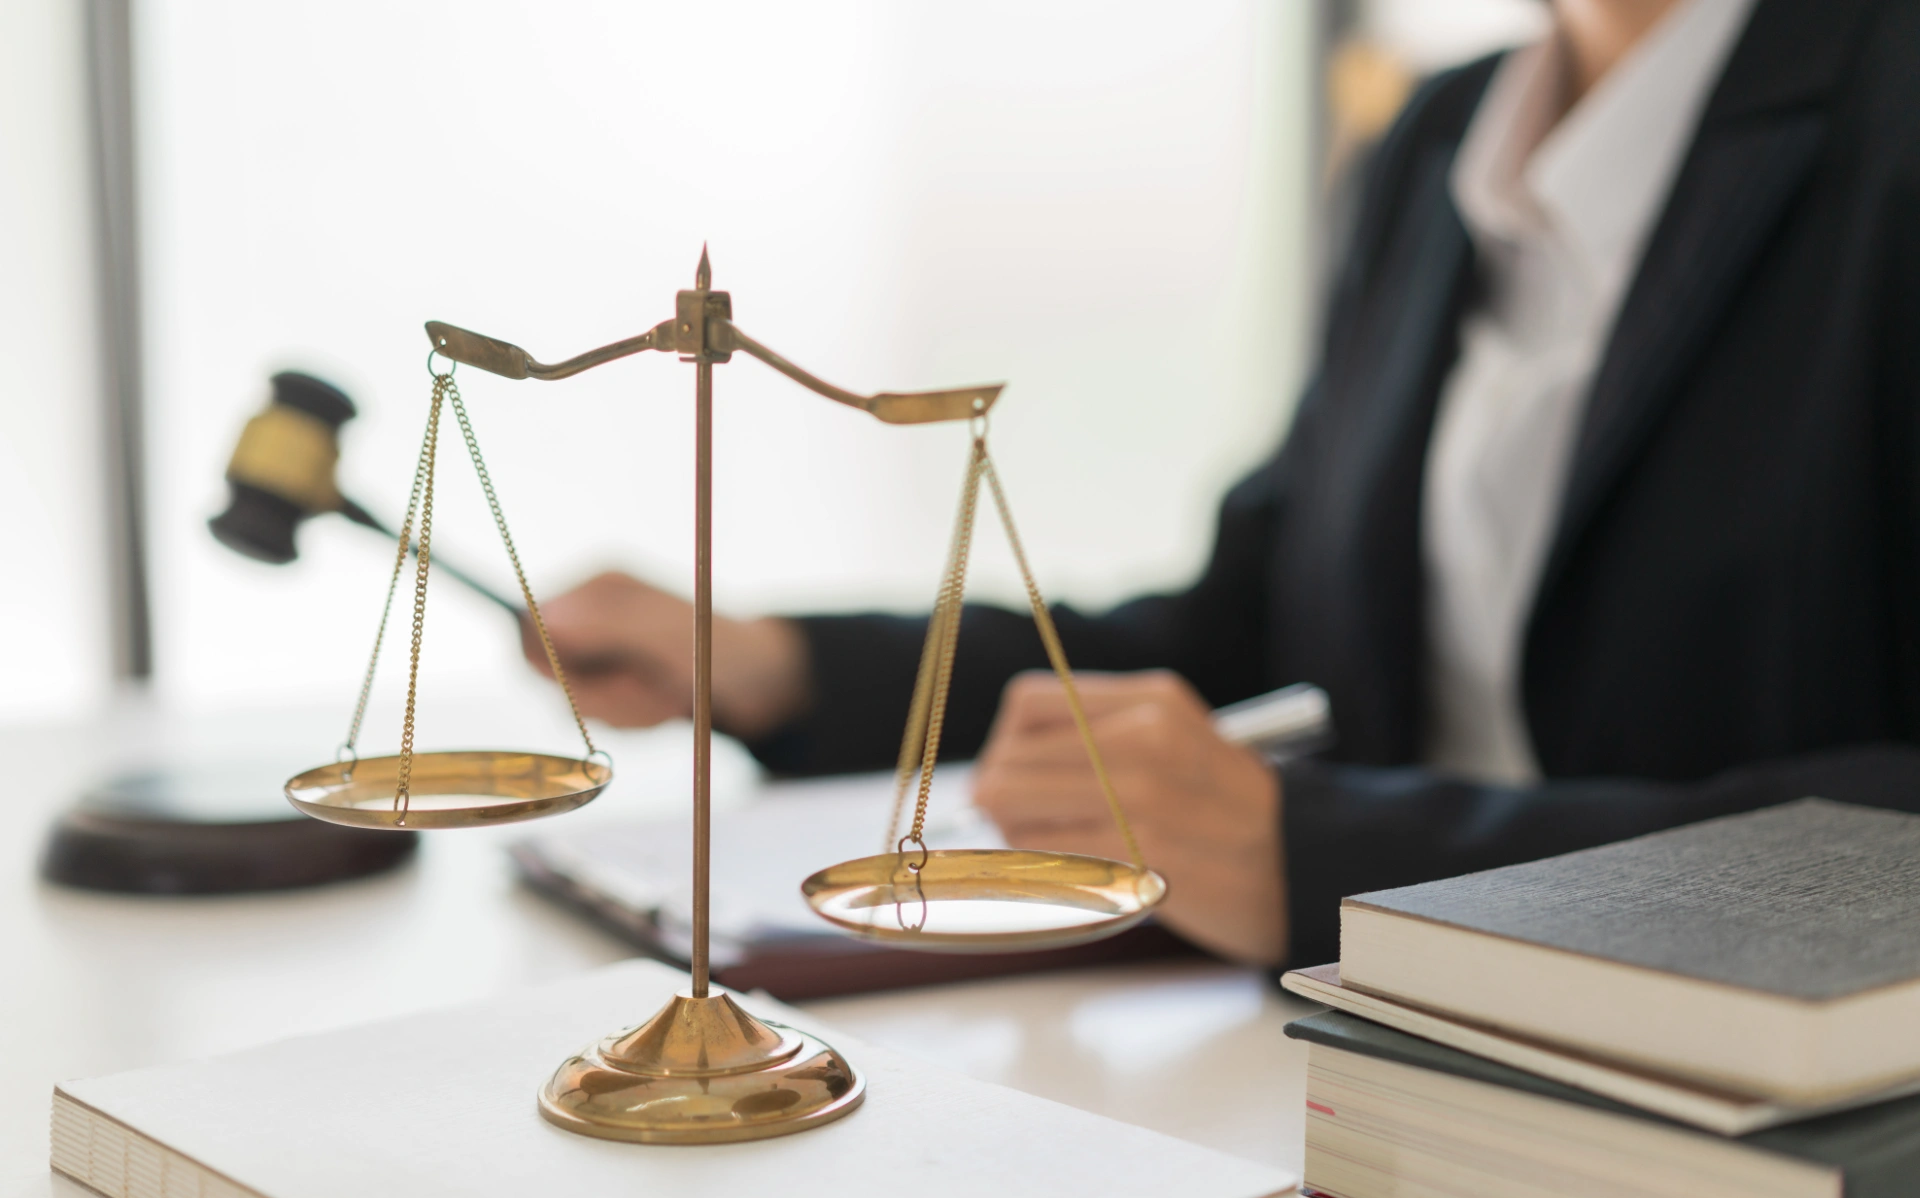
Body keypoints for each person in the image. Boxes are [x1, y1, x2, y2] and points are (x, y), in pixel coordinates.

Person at [526, 0, 1920, 969]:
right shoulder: (1437, 144)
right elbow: (1250, 640)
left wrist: (1333, 864)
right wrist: (780, 667)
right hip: (1378, 1063)